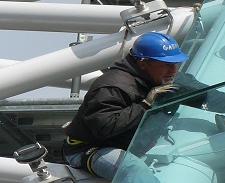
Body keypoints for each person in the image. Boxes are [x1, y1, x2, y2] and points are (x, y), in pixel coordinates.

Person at [63, 32, 188, 182]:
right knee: (133, 169)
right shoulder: (114, 86)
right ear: (142, 63)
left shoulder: (162, 79)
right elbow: (104, 128)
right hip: (89, 149)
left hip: (129, 146)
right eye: (166, 64)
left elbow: (202, 93)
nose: (173, 70)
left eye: (175, 63)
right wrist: (145, 104)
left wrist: (213, 100)